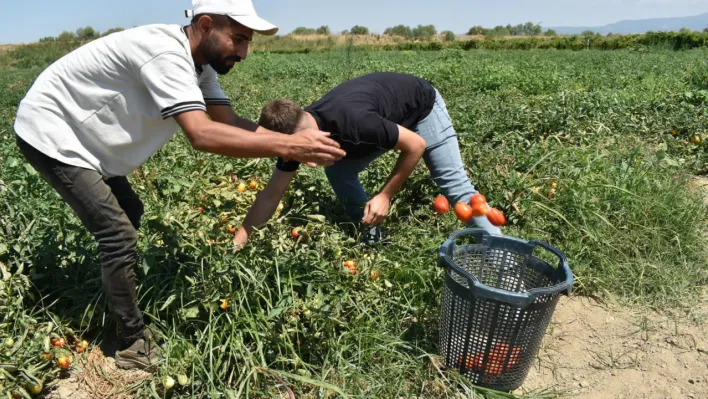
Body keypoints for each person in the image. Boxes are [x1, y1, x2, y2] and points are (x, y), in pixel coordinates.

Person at [13, 0, 345, 370]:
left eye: (247, 42)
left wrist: (295, 147)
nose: (244, 52)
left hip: (88, 140)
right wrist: (289, 145)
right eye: (237, 39)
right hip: (53, 134)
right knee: (118, 234)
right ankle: (132, 342)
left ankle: (113, 292)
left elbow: (228, 120)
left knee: (129, 213)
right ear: (205, 25)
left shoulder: (198, 68)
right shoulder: (165, 54)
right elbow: (201, 135)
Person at [233, 71, 501, 250]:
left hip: (421, 109)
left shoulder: (354, 122)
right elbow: (271, 195)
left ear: (306, 132)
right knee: (339, 171)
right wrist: (237, 246)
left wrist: (385, 195)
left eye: (298, 151)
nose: (307, 163)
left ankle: (507, 261)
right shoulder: (294, 140)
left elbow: (415, 145)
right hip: (385, 120)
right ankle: (370, 238)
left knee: (455, 188)